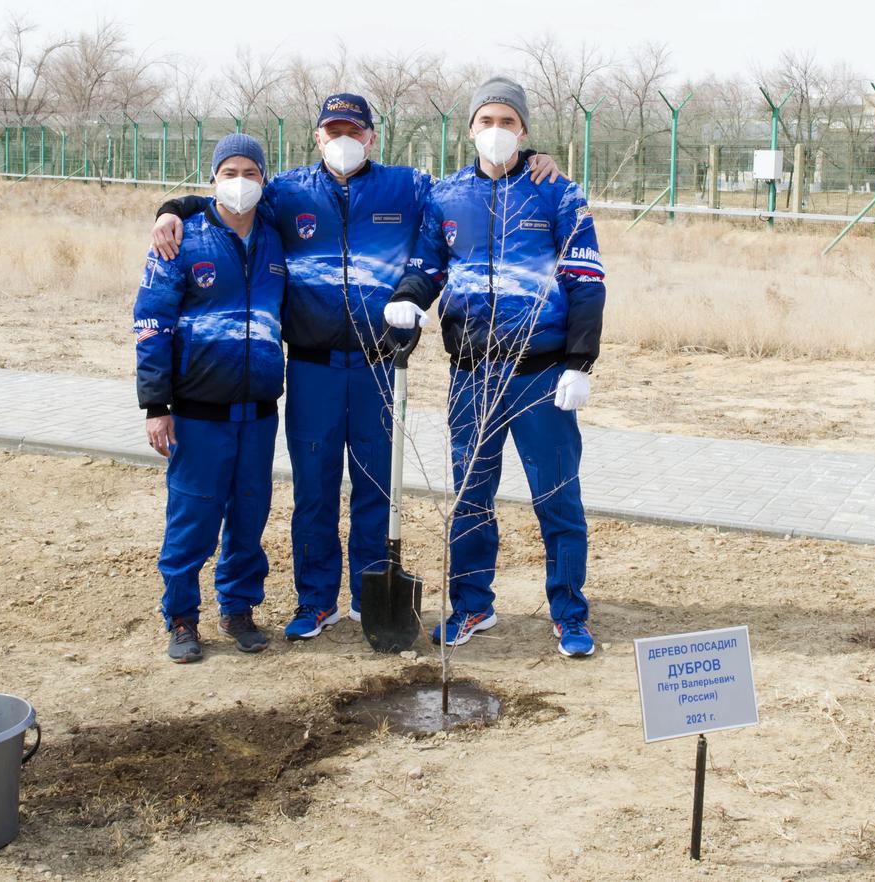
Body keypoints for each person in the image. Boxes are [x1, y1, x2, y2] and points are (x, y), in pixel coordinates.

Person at [149, 95, 564, 641]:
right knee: (314, 490)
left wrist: (533, 155)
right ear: (317, 137)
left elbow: (473, 184)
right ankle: (316, 599)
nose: (343, 139)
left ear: (371, 137)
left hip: (378, 366)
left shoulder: (408, 187)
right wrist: (171, 209)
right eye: (332, 130)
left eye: (354, 130)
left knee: (376, 486)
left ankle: (371, 593)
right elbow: (227, 202)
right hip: (313, 368)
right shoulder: (285, 192)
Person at [384, 77, 606, 658]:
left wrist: (580, 362)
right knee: (470, 496)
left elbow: (587, 283)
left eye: (508, 120)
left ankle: (569, 612)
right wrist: (410, 295)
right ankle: (472, 607)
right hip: (472, 374)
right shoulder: (447, 196)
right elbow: (428, 266)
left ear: (525, 130)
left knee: (557, 496)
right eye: (486, 120)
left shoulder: (556, 191)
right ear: (471, 129)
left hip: (541, 374)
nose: (497, 131)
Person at [134, 134, 287, 663]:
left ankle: (239, 608)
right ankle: (181, 617)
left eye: (250, 171)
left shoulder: (276, 238)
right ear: (213, 179)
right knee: (193, 518)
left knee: (250, 514)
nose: (240, 181)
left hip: (259, 412)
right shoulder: (180, 240)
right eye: (229, 172)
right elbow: (151, 325)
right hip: (198, 416)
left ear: (264, 180)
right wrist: (156, 406)